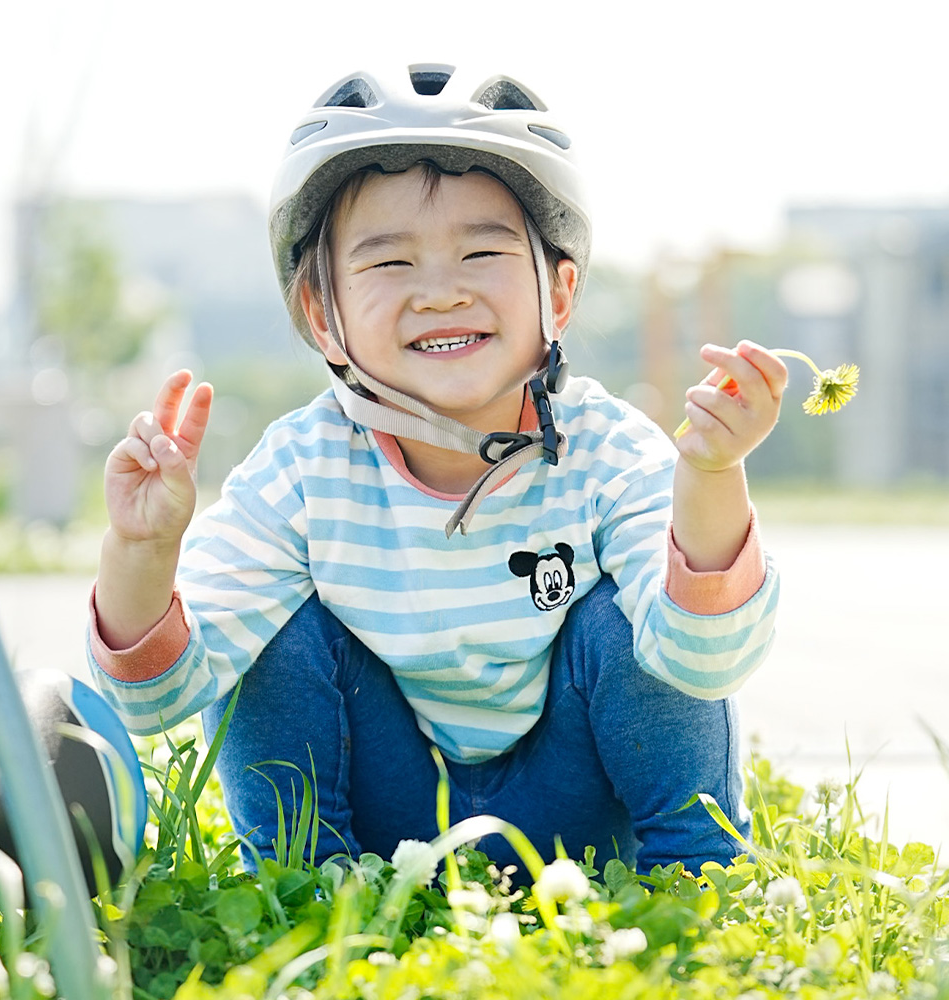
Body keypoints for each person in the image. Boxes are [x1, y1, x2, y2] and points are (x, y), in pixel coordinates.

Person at [88, 65, 787, 880]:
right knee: (272, 631)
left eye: (481, 252)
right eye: (389, 264)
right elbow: (153, 702)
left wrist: (709, 475)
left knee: (627, 611)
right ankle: (305, 883)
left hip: (578, 811)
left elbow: (706, 660)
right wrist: (141, 552)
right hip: (389, 814)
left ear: (558, 295)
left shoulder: (609, 451)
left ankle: (698, 877)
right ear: (324, 315)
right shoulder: (302, 471)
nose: (440, 293)